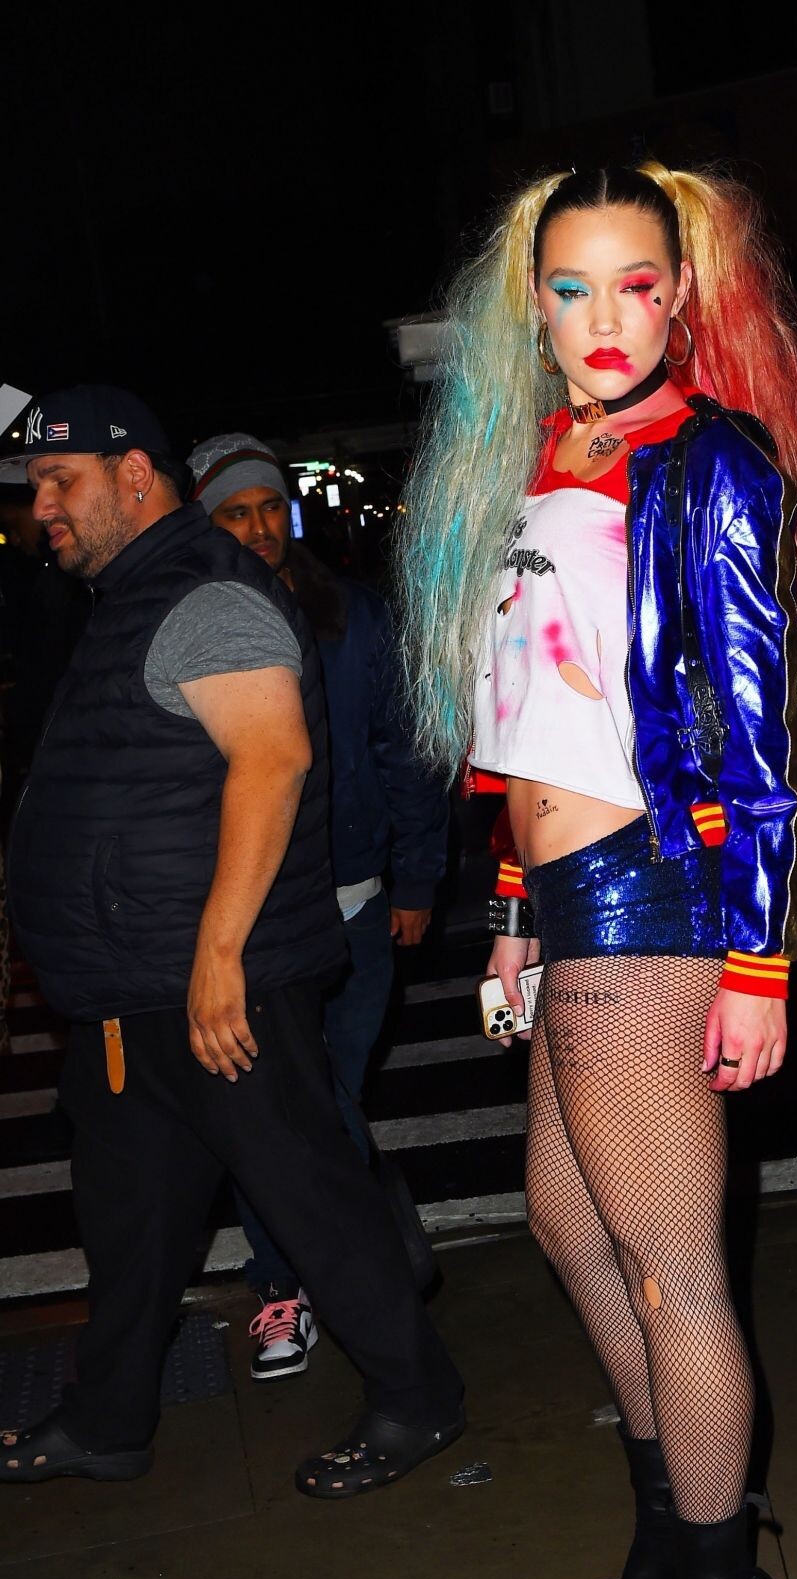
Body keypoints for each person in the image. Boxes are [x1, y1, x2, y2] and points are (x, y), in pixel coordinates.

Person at [395, 161, 797, 1579]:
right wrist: (514, 910)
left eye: (638, 284)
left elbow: (758, 725)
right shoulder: (533, 458)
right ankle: (672, 1529)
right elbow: (526, 717)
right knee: (567, 1225)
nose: (606, 317)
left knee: (672, 1265)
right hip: (567, 895)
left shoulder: (708, 458)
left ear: (682, 294)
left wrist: (759, 959)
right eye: (573, 287)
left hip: (656, 892)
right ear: (535, 303)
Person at [0, 385, 463, 1495]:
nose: (42, 505)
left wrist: (218, 960)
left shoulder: (204, 589)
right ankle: (109, 1419)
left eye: (61, 481)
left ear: (135, 475)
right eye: (35, 486)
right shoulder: (132, 594)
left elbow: (273, 758)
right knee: (130, 1222)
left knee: (311, 1198)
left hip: (215, 986)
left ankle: (418, 1397)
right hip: (135, 994)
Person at [187, 433, 448, 1379]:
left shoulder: (354, 615)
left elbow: (405, 750)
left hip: (353, 901)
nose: (259, 526)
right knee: (275, 1112)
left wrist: (415, 878)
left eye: (270, 508)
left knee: (327, 1096)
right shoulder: (187, 621)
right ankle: (290, 1283)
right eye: (236, 512)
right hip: (250, 917)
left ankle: (359, 1259)